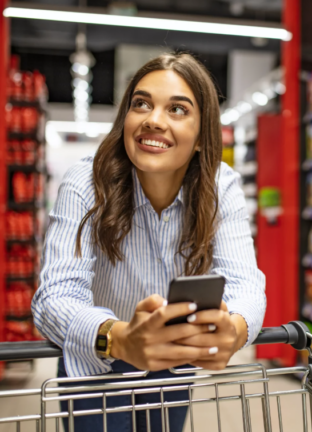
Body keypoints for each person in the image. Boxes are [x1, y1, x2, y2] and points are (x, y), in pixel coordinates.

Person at [32, 52, 266, 431]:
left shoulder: (220, 187)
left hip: (174, 358)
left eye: (177, 109)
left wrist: (234, 328)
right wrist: (122, 339)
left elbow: (245, 283)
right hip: (97, 358)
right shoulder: (86, 182)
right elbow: (54, 296)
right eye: (141, 104)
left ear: (203, 137)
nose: (153, 120)